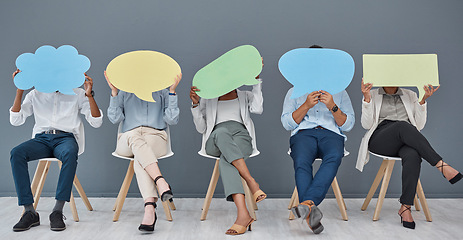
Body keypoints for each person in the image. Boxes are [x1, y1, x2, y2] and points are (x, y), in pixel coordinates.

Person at [357, 79, 462, 229]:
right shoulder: (373, 94)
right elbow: (366, 125)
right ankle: (441, 165)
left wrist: (423, 100)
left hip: (407, 137)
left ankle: (405, 207)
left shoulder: (410, 94)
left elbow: (418, 125)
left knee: (413, 155)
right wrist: (366, 98)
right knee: (402, 125)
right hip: (381, 139)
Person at [9, 69, 103, 232]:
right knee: (17, 153)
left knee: (69, 153)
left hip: (65, 138)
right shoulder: (35, 93)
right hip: (41, 139)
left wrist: (89, 95)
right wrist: (20, 89)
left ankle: (57, 211)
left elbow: (96, 121)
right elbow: (15, 120)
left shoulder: (78, 93)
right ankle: (30, 212)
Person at [281, 44, 355, 234]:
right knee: (301, 161)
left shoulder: (339, 91)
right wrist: (305, 105)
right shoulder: (294, 91)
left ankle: (307, 204)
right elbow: (287, 123)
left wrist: (333, 106)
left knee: (334, 157)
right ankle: (310, 209)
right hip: (304, 134)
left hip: (331, 134)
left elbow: (348, 125)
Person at [190, 66, 266, 235]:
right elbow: (201, 128)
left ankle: (243, 215)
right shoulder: (208, 98)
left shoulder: (244, 95)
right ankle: (251, 181)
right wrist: (195, 104)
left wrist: (257, 82)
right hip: (215, 140)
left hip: (241, 137)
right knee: (221, 132)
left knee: (227, 161)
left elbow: (258, 109)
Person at [105, 71, 181, 232]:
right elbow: (114, 118)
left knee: (141, 159)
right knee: (135, 139)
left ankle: (149, 208)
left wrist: (172, 91)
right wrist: (114, 93)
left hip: (155, 136)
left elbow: (172, 120)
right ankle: (160, 181)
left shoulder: (162, 91)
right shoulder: (125, 91)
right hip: (128, 139)